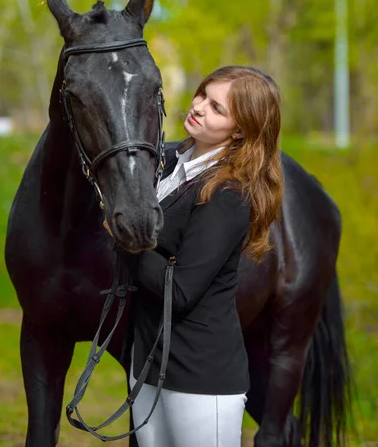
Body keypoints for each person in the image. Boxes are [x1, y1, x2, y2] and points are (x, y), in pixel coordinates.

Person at [104, 65, 284, 447]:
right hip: (148, 365)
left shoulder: (229, 194)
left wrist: (127, 242)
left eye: (217, 108)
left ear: (239, 131)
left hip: (201, 377)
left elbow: (181, 291)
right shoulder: (169, 164)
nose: (199, 107)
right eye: (203, 95)